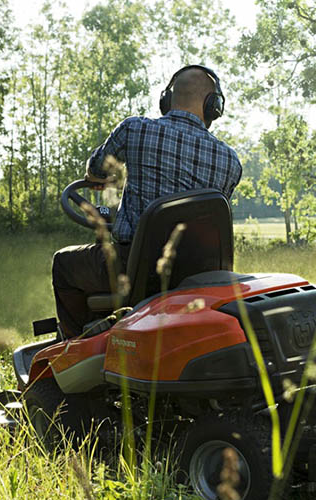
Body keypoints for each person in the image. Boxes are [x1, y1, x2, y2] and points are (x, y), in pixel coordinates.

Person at [51, 65, 243, 338]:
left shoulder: (135, 129)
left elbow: (95, 171)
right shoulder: (230, 161)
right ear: (213, 106)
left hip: (135, 268)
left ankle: (78, 346)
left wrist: (99, 179)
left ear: (167, 100)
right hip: (201, 278)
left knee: (64, 264)